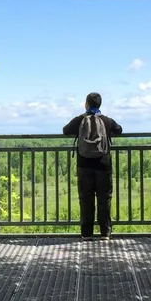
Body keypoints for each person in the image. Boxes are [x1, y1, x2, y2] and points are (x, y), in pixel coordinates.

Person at [63, 93, 123, 240]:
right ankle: (105, 233)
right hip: (103, 164)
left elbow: (65, 130)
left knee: (85, 198)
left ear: (87, 104)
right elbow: (119, 129)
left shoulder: (79, 120)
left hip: (84, 165)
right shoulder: (107, 120)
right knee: (104, 197)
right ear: (99, 105)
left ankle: (86, 233)